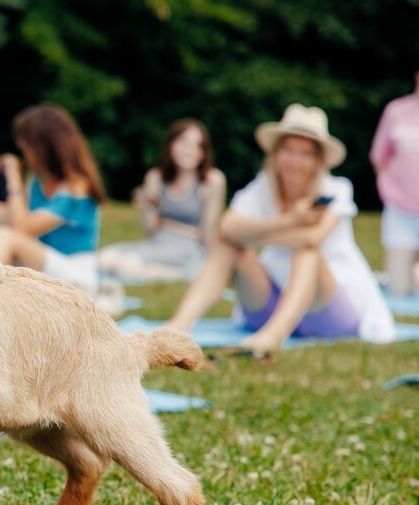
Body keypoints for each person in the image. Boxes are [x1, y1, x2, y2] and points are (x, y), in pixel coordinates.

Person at [166, 104, 395, 355]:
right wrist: (287, 220)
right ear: (276, 153)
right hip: (273, 299)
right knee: (227, 244)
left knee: (306, 251)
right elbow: (228, 228)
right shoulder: (263, 187)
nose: (294, 161)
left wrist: (255, 234)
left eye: (305, 153)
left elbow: (311, 237)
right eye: (289, 150)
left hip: (328, 311)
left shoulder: (336, 189)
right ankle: (177, 327)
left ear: (317, 161)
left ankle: (272, 338)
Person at [0, 103, 107, 298]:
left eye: (26, 141)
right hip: (47, 268)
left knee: (6, 236)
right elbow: (13, 214)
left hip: (78, 275)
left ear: (45, 145)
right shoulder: (37, 181)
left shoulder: (78, 187)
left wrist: (12, 176)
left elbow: (22, 227)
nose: (21, 145)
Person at [99, 119, 226, 281]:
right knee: (105, 258)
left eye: (197, 145)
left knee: (126, 265)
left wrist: (213, 265)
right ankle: (162, 272)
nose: (189, 150)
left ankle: (179, 273)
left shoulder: (212, 181)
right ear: (171, 145)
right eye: (183, 142)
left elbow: (207, 231)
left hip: (188, 247)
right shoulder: (155, 177)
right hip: (157, 242)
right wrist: (147, 207)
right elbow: (151, 229)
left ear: (203, 152)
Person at [371, 67, 419, 296]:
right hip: (400, 208)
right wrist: (388, 189)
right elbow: (379, 156)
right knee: (398, 289)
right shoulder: (396, 111)